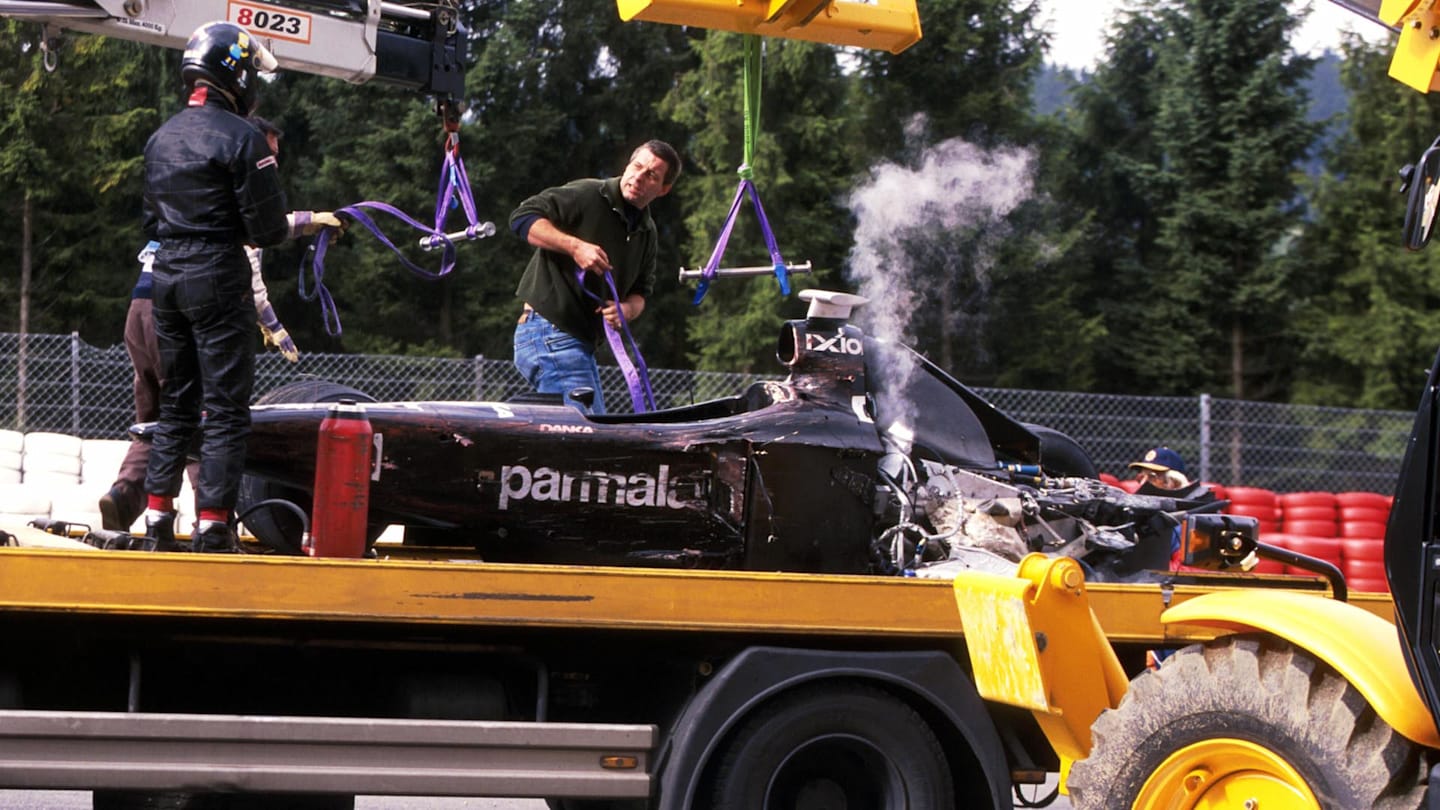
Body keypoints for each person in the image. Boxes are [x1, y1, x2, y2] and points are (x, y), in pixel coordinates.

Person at [139, 21, 340, 552]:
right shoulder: (243, 137)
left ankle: (157, 519)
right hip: (217, 274)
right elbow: (268, 230)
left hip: (166, 278)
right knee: (226, 407)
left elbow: (148, 224)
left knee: (177, 402)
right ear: (237, 72)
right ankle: (213, 524)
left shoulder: (161, 138)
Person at [97, 116, 300, 533]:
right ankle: (212, 520)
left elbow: (153, 223)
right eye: (271, 153)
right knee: (209, 413)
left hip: (145, 301)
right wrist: (275, 326)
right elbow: (259, 243)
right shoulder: (236, 171)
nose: (273, 163)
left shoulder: (179, 164)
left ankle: (131, 498)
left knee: (158, 414)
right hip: (196, 295)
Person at [509, 140, 681, 414]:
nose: (638, 177)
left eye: (651, 175)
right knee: (586, 432)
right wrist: (575, 247)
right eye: (637, 166)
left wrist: (625, 310)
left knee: (592, 431)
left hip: (581, 344)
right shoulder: (589, 193)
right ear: (627, 165)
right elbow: (522, 218)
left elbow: (641, 293)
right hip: (549, 330)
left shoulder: (648, 233)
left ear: (663, 189)